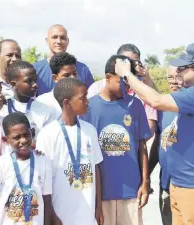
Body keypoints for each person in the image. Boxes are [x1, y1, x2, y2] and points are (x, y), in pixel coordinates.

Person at [114, 43, 194, 225]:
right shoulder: (192, 95)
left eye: (182, 68)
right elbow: (162, 100)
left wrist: (126, 75)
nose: (178, 74)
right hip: (181, 185)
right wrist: (146, 77)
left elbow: (156, 101)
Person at [81, 55, 151, 225]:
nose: (127, 85)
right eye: (123, 80)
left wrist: (145, 182)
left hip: (131, 191)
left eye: (131, 80)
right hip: (101, 193)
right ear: (108, 78)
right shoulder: (89, 108)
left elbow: (142, 146)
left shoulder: (135, 105)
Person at [36, 78, 103, 225]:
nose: (87, 102)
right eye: (83, 98)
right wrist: (51, 214)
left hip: (87, 214)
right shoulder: (47, 134)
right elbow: (42, 177)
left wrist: (98, 206)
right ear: (67, 103)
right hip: (61, 214)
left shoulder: (89, 130)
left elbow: (96, 167)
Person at [0, 112, 55, 225]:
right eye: (16, 137)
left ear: (32, 133)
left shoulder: (43, 162)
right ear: (6, 140)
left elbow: (46, 199)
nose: (23, 140)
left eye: (26, 135)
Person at [87, 44, 158, 136]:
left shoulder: (144, 91)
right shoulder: (96, 88)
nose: (129, 65)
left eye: (134, 62)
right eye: (125, 61)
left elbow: (150, 126)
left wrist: (132, 144)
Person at [148, 65, 183, 225]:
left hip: (187, 186)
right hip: (166, 184)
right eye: (170, 77)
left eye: (178, 76)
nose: (174, 81)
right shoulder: (163, 107)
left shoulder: (193, 106)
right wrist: (146, 174)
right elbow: (158, 143)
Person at [0, 61, 54, 139]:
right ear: (14, 84)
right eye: (29, 81)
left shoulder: (44, 109)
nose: (35, 85)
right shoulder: (2, 109)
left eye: (35, 80)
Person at [34, 24, 94, 96]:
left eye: (63, 38)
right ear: (47, 41)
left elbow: (90, 98)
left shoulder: (83, 69)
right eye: (54, 37)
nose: (59, 41)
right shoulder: (35, 70)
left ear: (67, 41)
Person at [35, 52, 78, 120]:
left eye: (75, 73)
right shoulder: (41, 102)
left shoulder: (82, 102)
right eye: (66, 75)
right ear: (55, 78)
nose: (73, 78)